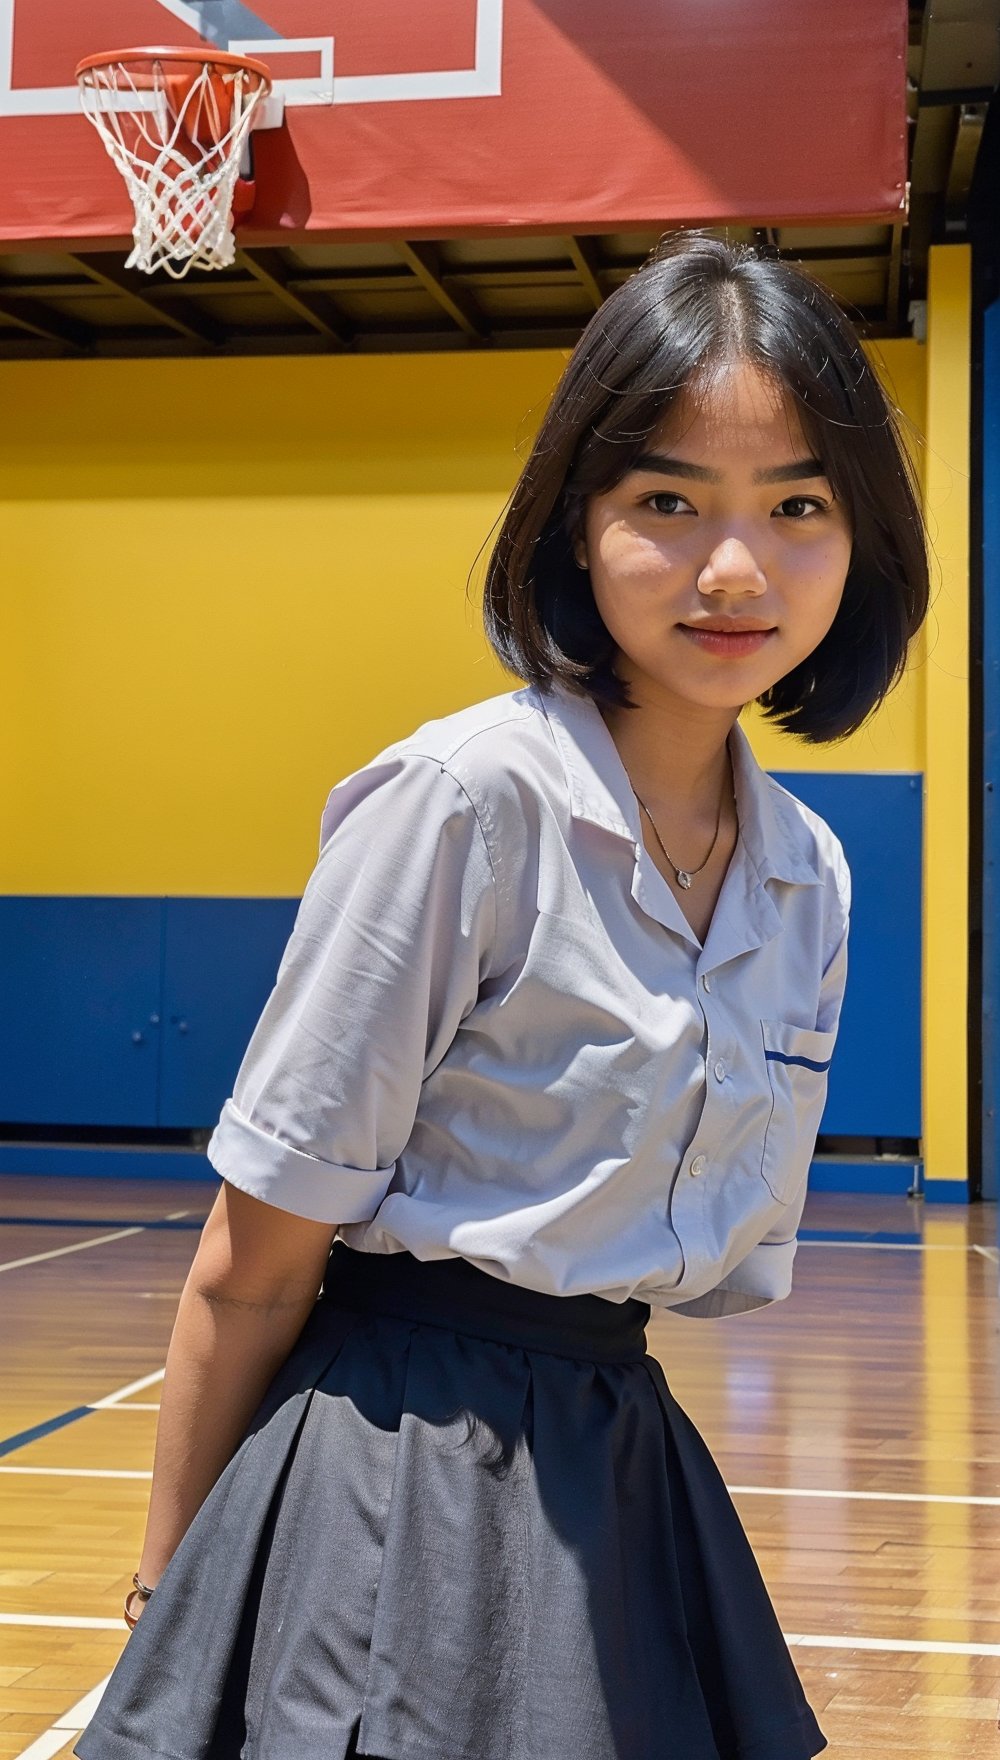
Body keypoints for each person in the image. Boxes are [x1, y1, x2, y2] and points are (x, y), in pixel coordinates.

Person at [75, 229, 929, 1760]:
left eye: (799, 505)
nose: (736, 567)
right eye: (668, 500)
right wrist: (174, 1601)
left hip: (624, 1456)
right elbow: (251, 1268)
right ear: (575, 525)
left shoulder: (808, 872)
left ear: (860, 541)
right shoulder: (465, 803)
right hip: (394, 1467)